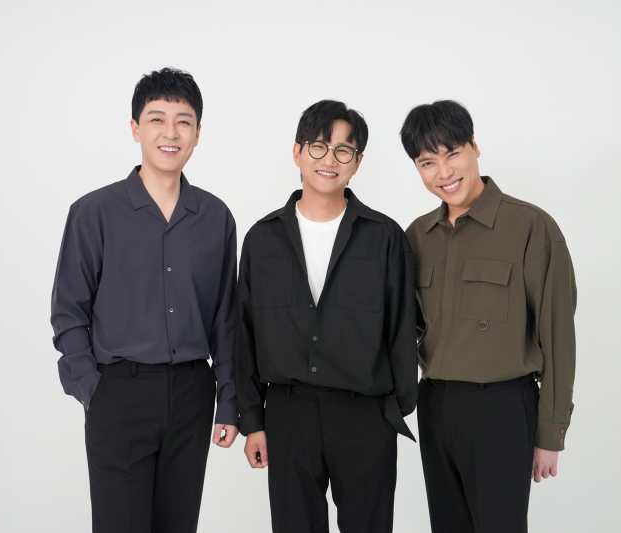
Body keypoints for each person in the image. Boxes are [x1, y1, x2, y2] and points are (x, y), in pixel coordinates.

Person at [50, 67, 239, 533]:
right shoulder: (94, 212)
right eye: (157, 119)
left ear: (197, 133)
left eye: (183, 121)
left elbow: (226, 319)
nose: (170, 133)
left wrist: (228, 400)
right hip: (119, 394)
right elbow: (68, 310)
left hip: (192, 394)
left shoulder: (216, 217)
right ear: (135, 128)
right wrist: (92, 390)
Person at [235, 100, 418, 533]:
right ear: (297, 152)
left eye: (343, 150)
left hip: (365, 415)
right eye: (318, 147)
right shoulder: (262, 238)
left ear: (358, 162)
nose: (329, 160)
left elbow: (402, 329)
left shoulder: (384, 237)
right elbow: (244, 334)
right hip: (288, 414)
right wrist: (253, 421)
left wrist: (392, 412)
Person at [401, 100, 577, 533]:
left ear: (475, 146)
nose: (444, 172)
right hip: (436, 407)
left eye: (452, 153)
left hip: (502, 408)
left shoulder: (530, 226)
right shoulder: (417, 236)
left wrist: (550, 431)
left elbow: (557, 335)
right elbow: (404, 330)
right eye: (427, 162)